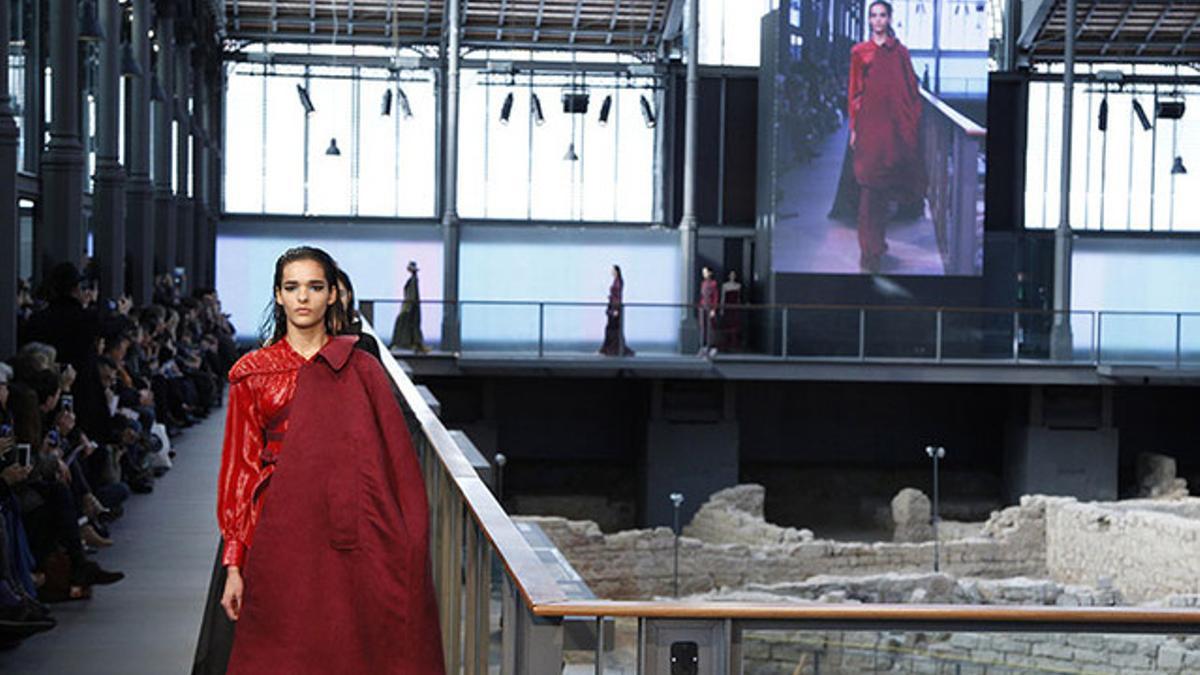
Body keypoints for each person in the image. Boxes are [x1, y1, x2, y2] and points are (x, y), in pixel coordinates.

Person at [192, 246, 444, 675]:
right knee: (279, 651)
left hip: (347, 532)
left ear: (333, 295)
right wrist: (234, 563)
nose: (303, 297)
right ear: (278, 296)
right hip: (276, 529)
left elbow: (393, 462)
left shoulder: (362, 368)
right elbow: (240, 470)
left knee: (343, 647)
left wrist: (406, 545)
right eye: (292, 287)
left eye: (314, 287)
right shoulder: (252, 373)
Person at [848, 0, 926, 273]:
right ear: (869, 20)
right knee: (869, 190)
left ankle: (877, 245)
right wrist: (854, 128)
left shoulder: (901, 52)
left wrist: (910, 124)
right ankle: (868, 251)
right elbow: (855, 92)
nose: (878, 20)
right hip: (870, 127)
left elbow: (910, 88)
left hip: (893, 129)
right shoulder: (860, 52)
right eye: (874, 15)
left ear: (889, 18)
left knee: (884, 190)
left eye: (883, 15)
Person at [390, 261, 429, 354]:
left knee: (408, 324)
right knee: (409, 325)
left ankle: (415, 345)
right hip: (411, 306)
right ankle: (414, 345)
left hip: (410, 306)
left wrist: (407, 307)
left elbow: (412, 295)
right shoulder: (413, 280)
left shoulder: (414, 280)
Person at [598, 265, 635, 357]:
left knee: (613, 328)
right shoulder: (616, 281)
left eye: (613, 270)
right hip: (613, 306)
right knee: (610, 328)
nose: (612, 272)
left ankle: (613, 349)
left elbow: (618, 296)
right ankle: (608, 348)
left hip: (615, 307)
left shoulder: (618, 282)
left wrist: (615, 309)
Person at [719, 270, 744, 352]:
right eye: (731, 275)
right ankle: (726, 344)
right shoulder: (725, 286)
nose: (732, 276)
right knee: (727, 325)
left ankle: (734, 344)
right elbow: (723, 298)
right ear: (729, 276)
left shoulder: (738, 286)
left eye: (734, 275)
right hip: (728, 308)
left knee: (735, 326)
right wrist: (722, 309)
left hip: (735, 308)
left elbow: (739, 298)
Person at [698, 267, 719, 356]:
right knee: (703, 326)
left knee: (710, 327)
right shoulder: (703, 283)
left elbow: (715, 297)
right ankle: (703, 346)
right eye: (703, 272)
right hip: (703, 307)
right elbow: (702, 296)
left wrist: (714, 309)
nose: (704, 274)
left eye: (705, 272)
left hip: (710, 307)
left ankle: (712, 347)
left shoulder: (714, 284)